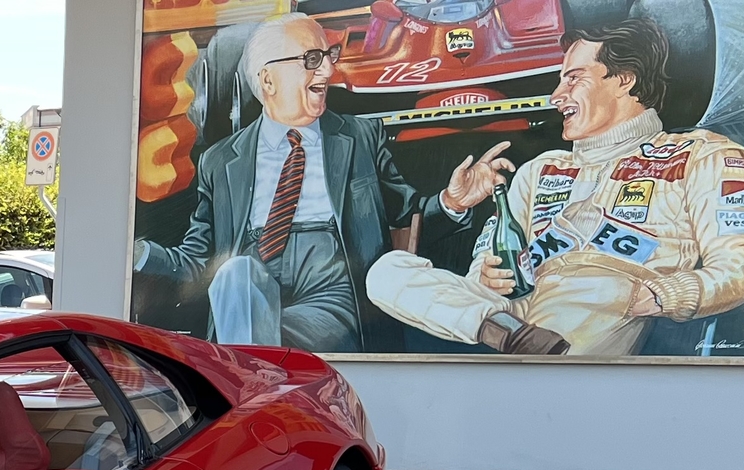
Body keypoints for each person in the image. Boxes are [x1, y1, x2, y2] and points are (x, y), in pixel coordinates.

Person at [365, 15, 744, 356]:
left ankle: (530, 355)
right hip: (518, 315)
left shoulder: (705, 155)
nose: (556, 96)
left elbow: (736, 271)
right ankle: (516, 339)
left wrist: (657, 296)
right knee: (387, 271)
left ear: (624, 79)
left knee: (590, 297)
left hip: (610, 299)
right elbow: (481, 271)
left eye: (573, 79)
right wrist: (486, 275)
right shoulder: (541, 169)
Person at [132, 14, 513, 352]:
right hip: (249, 284)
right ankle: (261, 388)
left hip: (332, 287)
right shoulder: (220, 161)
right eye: (311, 60)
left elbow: (407, 218)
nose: (328, 71)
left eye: (329, 55)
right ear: (268, 80)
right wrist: (137, 254)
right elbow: (200, 260)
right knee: (235, 274)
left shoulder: (360, 138)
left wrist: (453, 200)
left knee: (248, 345)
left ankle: (251, 395)